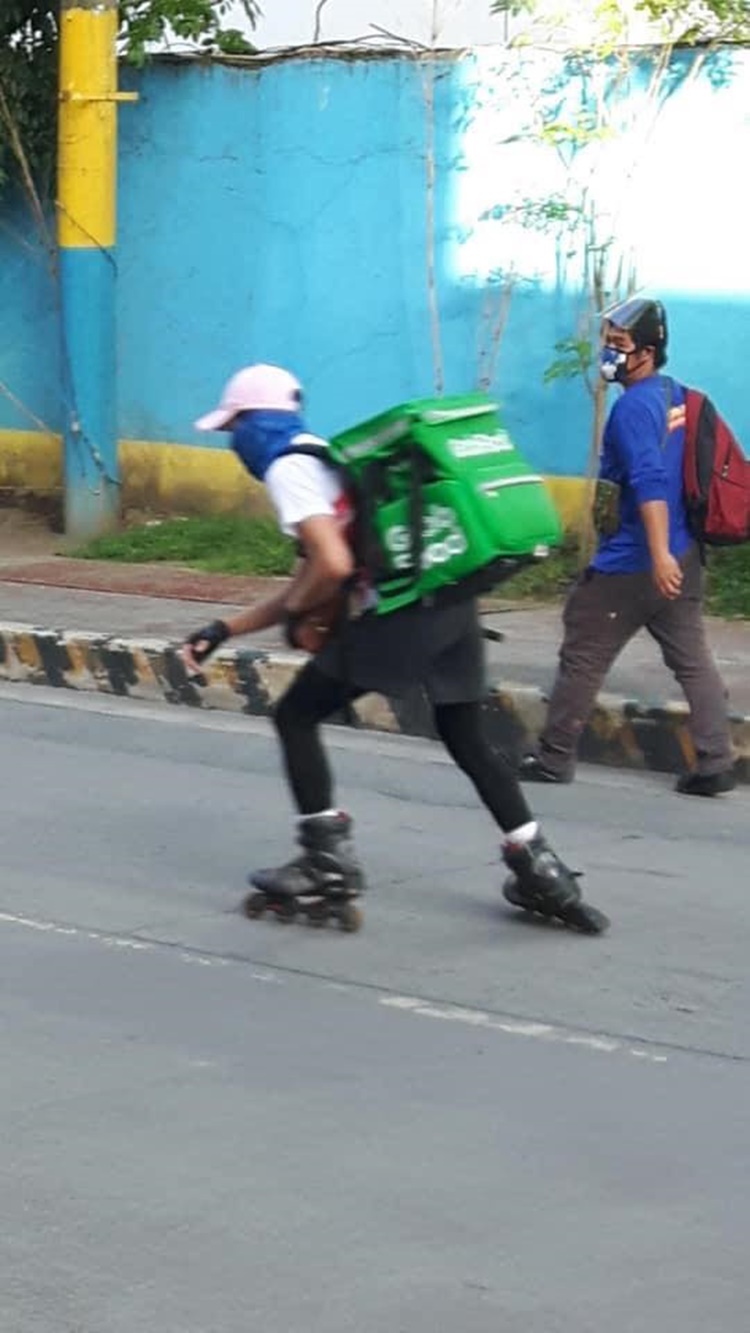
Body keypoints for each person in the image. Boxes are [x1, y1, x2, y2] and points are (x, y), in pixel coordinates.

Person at [181, 362, 609, 934]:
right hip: (450, 603)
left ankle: (325, 861)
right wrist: (227, 629)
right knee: (468, 739)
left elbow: (329, 566)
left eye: (234, 427)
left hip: (403, 618)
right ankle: (540, 868)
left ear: (255, 422)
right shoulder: (330, 461)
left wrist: (306, 613)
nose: (234, 441)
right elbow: (312, 576)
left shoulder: (289, 471)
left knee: (295, 715)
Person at [519, 297, 736, 797]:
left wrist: (657, 555)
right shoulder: (672, 396)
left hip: (638, 561)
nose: (608, 355)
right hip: (684, 553)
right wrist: (670, 555)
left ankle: (553, 758)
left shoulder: (633, 409)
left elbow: (651, 480)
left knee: (583, 646)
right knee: (692, 658)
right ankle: (715, 759)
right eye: (607, 343)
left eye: (619, 345)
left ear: (647, 352)